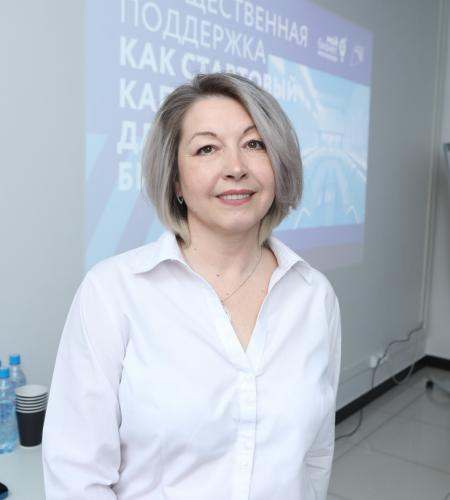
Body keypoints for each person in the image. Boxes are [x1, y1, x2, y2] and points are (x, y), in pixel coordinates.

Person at [42, 73, 341, 500]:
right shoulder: (112, 293)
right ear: (176, 180)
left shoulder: (313, 295)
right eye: (207, 148)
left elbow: (315, 456)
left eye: (255, 144)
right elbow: (76, 476)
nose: (236, 167)